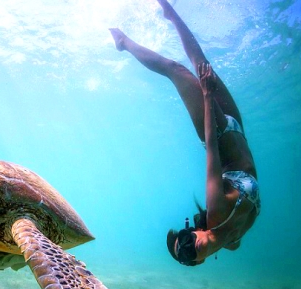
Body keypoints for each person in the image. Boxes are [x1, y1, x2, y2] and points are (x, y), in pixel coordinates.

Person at [109, 0, 260, 266]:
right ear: (199, 262)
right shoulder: (233, 243)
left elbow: (212, 151)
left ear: (192, 230)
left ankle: (131, 39)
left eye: (186, 240)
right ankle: (150, 25)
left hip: (218, 135)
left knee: (177, 69)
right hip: (238, 130)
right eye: (189, 254)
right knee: (199, 64)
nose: (192, 246)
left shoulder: (216, 212)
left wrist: (206, 95)